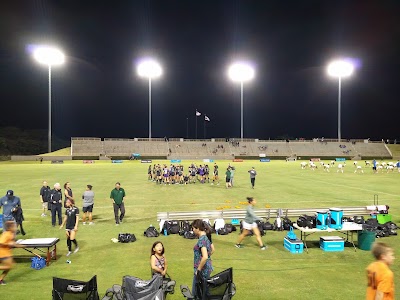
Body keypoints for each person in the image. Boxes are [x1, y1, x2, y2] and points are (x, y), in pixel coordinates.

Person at [191, 219, 213, 297]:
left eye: (193, 228)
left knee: (196, 293)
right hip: (207, 269)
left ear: (198, 228)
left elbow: (205, 256)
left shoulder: (202, 239)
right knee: (205, 292)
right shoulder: (206, 237)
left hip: (202, 271)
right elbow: (212, 249)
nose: (193, 230)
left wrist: (198, 270)